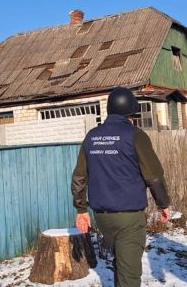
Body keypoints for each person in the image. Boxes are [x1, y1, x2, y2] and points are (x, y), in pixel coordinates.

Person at [71, 87, 171, 287]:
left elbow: (79, 177)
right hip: (129, 219)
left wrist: (81, 209)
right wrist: (163, 203)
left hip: (103, 217)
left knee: (121, 266)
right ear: (131, 112)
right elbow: (153, 177)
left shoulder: (92, 136)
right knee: (130, 276)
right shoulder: (135, 135)